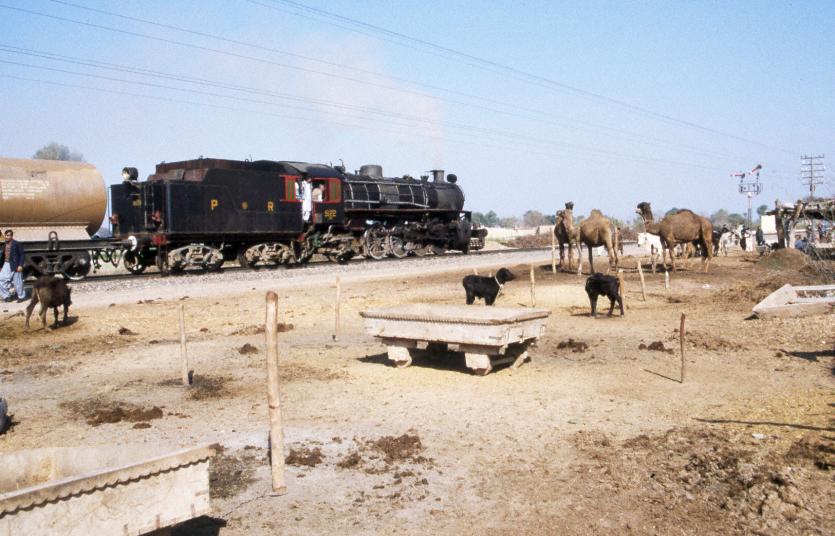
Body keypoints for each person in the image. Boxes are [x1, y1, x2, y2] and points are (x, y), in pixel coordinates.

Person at [0, 229, 25, 302]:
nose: (7, 237)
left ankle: (21, 297)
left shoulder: (17, 244)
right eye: (6, 235)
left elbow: (22, 255)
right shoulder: (4, 244)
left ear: (11, 236)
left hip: (15, 264)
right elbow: (3, 256)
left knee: (18, 282)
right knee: (1, 279)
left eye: (8, 235)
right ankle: (6, 296)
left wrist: (20, 265)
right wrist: (1, 266)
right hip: (6, 264)